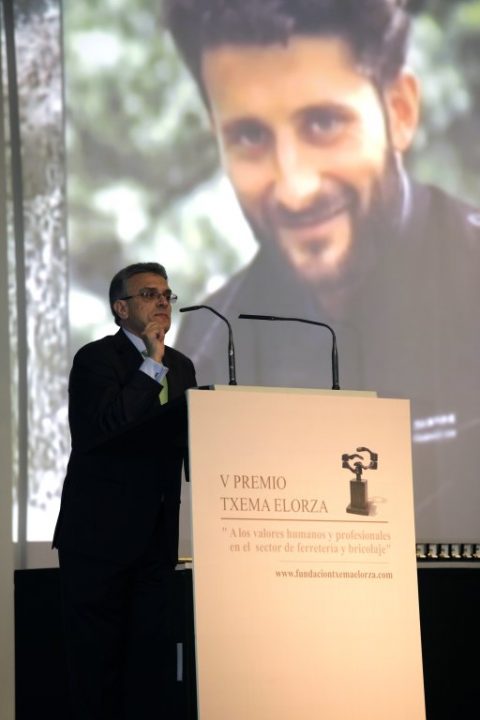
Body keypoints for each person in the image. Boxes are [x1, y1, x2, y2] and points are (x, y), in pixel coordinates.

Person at [165, 0, 480, 540]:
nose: (295, 188)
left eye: (324, 123)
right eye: (250, 136)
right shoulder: (207, 346)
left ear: (400, 111)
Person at [52, 262, 197, 719]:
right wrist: (151, 363)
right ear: (121, 308)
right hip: (99, 541)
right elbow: (105, 428)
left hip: (156, 541)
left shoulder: (182, 366)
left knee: (149, 669)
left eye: (167, 295)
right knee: (97, 669)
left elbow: (186, 440)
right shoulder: (95, 360)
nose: (162, 302)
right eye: (149, 294)